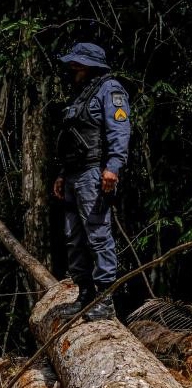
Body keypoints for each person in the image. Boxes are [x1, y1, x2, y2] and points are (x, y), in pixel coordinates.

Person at [53, 42, 130, 321]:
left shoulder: (110, 90)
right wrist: (62, 174)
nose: (73, 67)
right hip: (74, 174)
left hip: (94, 173)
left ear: (91, 65)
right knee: (73, 238)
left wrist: (113, 167)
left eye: (78, 63)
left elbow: (119, 130)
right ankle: (85, 295)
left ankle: (105, 298)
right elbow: (71, 139)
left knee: (98, 235)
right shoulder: (81, 94)